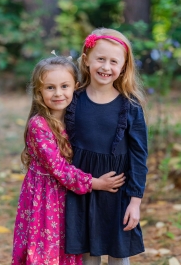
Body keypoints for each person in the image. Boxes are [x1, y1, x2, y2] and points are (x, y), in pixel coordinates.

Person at [11, 56, 125, 265]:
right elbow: (59, 169)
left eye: (65, 86)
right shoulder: (40, 125)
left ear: (76, 87)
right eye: (50, 88)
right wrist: (95, 183)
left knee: (67, 249)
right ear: (39, 92)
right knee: (47, 249)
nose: (58, 93)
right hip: (46, 197)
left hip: (70, 197)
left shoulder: (75, 117)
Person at [64, 28, 148, 265]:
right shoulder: (72, 99)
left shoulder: (130, 106)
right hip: (82, 191)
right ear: (86, 59)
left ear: (123, 67)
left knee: (118, 256)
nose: (106, 67)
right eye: (100, 59)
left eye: (114, 61)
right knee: (87, 255)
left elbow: (139, 157)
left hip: (117, 193)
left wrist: (135, 202)